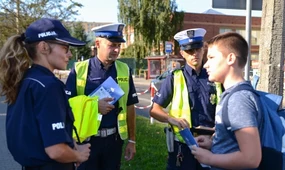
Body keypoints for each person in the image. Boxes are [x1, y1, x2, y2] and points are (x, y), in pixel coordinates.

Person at [0, 18, 91, 170]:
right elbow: (56, 150)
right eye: (65, 48)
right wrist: (78, 155)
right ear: (43, 47)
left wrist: (72, 147)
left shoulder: (26, 79)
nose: (69, 54)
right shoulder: (48, 86)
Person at [65, 23, 138, 170]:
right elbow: (66, 105)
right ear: (97, 43)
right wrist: (94, 106)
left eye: (119, 45)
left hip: (114, 141)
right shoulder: (80, 69)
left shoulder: (124, 70)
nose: (117, 50)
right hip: (85, 141)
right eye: (112, 45)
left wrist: (132, 140)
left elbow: (130, 106)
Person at [191, 32, 263, 169]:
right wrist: (214, 144)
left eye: (211, 57)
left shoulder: (238, 99)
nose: (206, 65)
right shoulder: (233, 94)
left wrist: (210, 158)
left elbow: (251, 158)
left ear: (230, 58)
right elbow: (236, 144)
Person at [149, 28, 217, 170]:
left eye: (197, 49)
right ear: (182, 53)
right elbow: (155, 110)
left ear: (203, 49)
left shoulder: (215, 76)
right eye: (189, 51)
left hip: (212, 143)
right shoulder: (174, 77)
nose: (194, 54)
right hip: (184, 145)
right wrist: (171, 119)